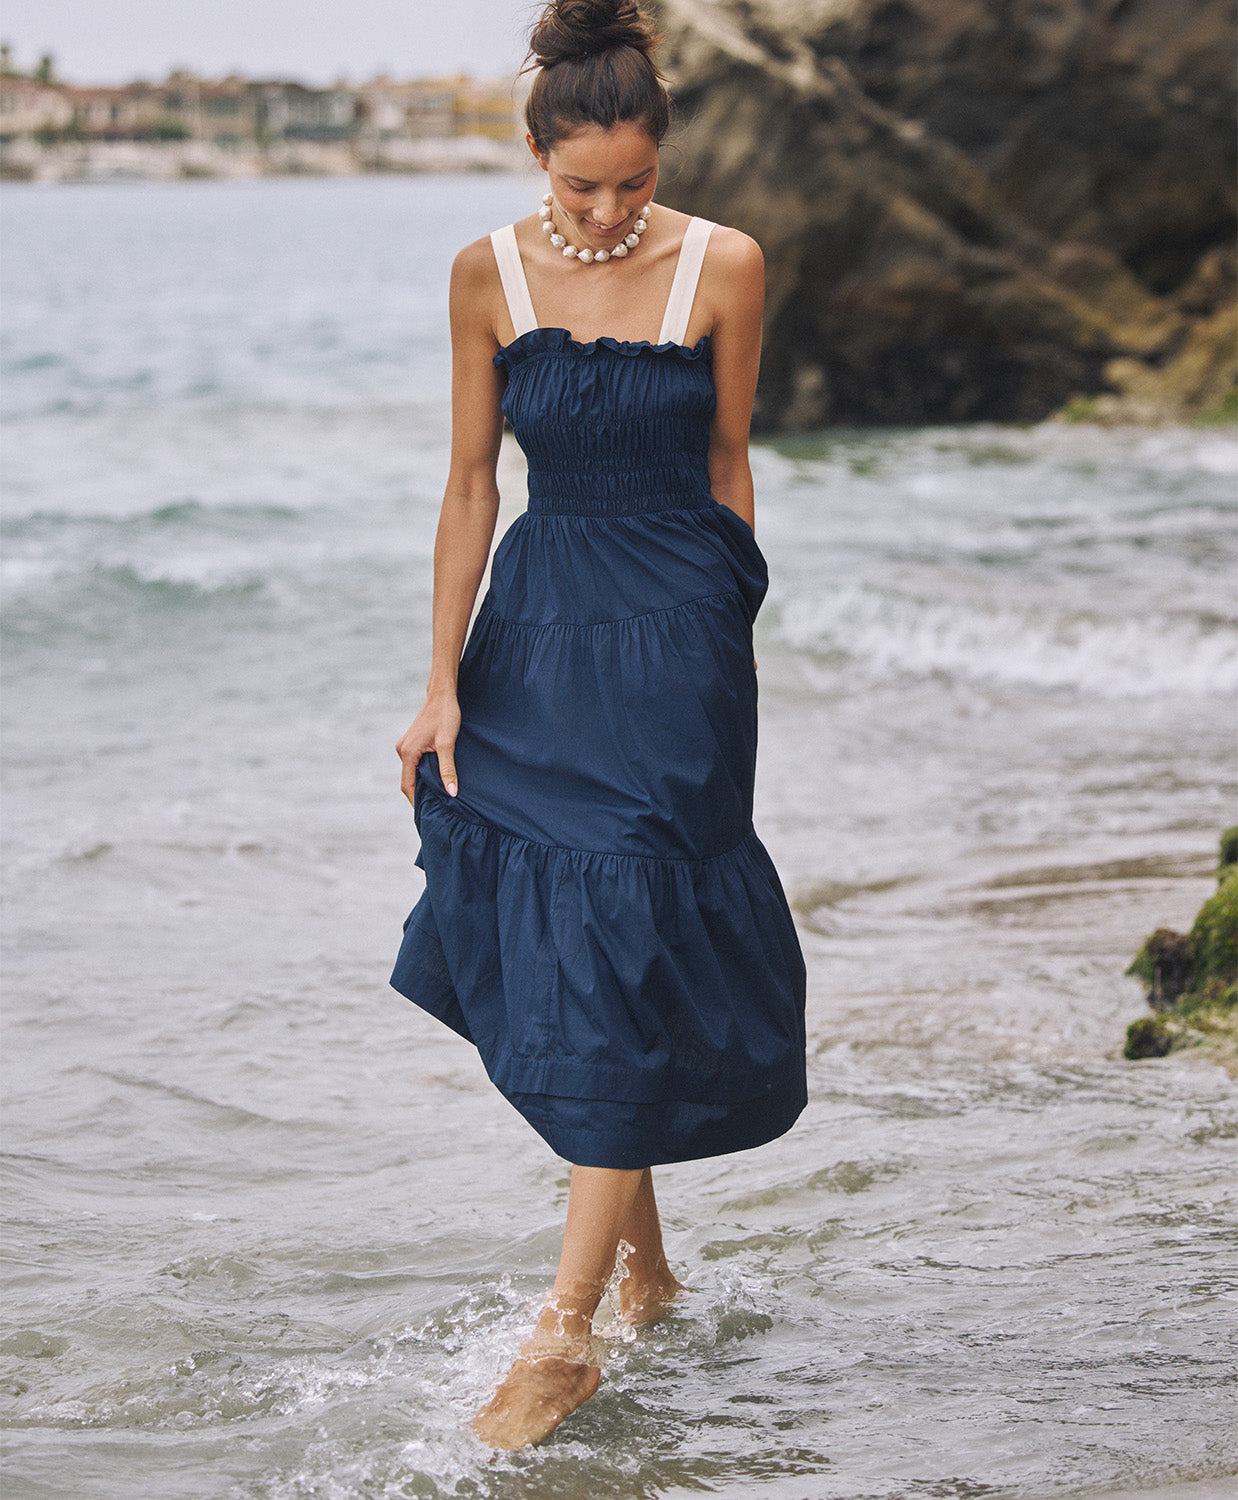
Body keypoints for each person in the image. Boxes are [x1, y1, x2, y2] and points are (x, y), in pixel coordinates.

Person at [390, 0, 808, 1450]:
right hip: (535, 636)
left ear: (662, 154)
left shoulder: (725, 263)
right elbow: (465, 489)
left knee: (631, 927)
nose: (612, 209)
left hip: (678, 642)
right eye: (582, 185)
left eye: (633, 179)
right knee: (565, 938)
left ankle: (561, 1337)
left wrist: (721, 625)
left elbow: (728, 462)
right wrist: (441, 680)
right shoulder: (483, 273)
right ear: (535, 155)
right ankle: (646, 1271)